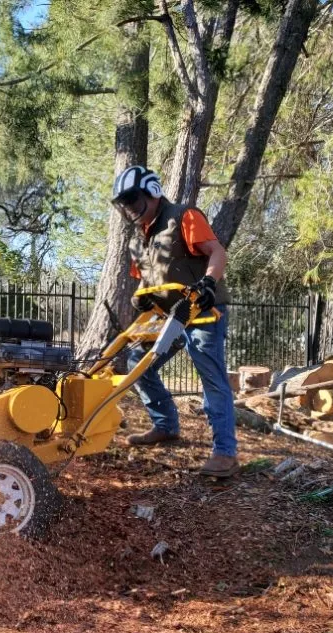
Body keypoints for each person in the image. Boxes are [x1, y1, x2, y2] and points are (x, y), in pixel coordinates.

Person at [110, 165, 238, 478]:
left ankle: (225, 452)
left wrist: (208, 282)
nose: (129, 208)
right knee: (140, 361)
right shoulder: (138, 240)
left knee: (210, 375)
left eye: (133, 199)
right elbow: (145, 280)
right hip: (171, 316)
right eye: (124, 203)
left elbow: (216, 252)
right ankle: (165, 424)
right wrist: (139, 297)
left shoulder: (183, 216)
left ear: (152, 192)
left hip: (203, 312)